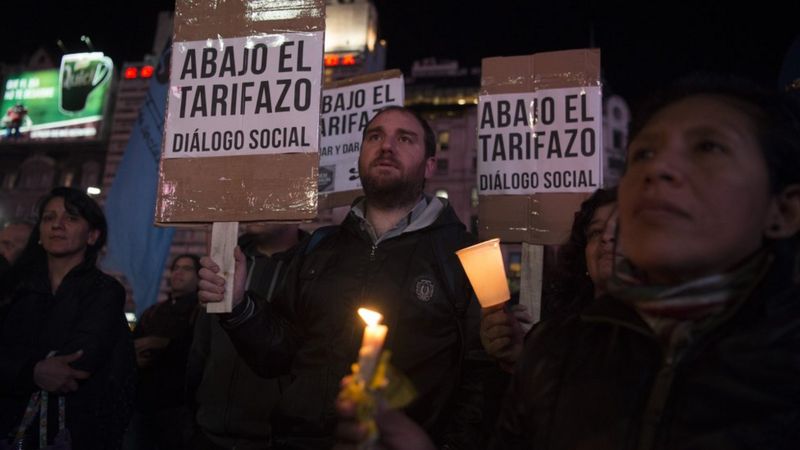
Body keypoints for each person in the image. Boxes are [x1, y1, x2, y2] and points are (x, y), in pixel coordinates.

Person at [335, 75, 800, 449]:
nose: (659, 169)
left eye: (708, 147)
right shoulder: (556, 353)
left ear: (784, 209)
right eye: (645, 153)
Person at [199, 106, 487, 449]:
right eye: (375, 136)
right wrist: (239, 307)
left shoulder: (467, 256)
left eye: (404, 138)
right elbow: (279, 354)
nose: (386, 146)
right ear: (360, 155)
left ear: (429, 164)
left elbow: (482, 377)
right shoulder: (319, 247)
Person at [0, 186, 136, 450]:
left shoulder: (105, 291)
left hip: (75, 431)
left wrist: (17, 365)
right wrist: (34, 370)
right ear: (39, 233)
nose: (57, 225)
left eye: (71, 218)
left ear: (93, 235)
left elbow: (77, 363)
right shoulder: (12, 288)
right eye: (49, 218)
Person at [187, 223, 306, 450]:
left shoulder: (314, 264)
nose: (252, 199)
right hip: (208, 433)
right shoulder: (223, 258)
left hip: (275, 439)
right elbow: (200, 348)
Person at [480, 188, 618, 370]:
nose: (607, 238)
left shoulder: (664, 333)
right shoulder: (555, 333)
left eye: (621, 229)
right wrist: (520, 356)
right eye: (596, 231)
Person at [125, 254, 201, 450]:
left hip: (178, 407)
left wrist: (164, 344)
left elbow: (199, 352)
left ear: (199, 277)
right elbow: (132, 345)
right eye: (176, 268)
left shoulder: (202, 313)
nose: (178, 273)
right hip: (143, 404)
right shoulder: (153, 311)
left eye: (186, 269)